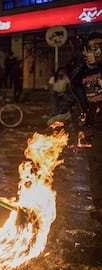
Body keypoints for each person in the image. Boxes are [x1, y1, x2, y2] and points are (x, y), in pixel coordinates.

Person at [70, 32, 102, 223]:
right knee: (96, 166)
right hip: (94, 126)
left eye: (100, 45)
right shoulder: (79, 73)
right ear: (84, 51)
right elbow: (74, 92)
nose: (97, 49)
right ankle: (99, 206)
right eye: (93, 46)